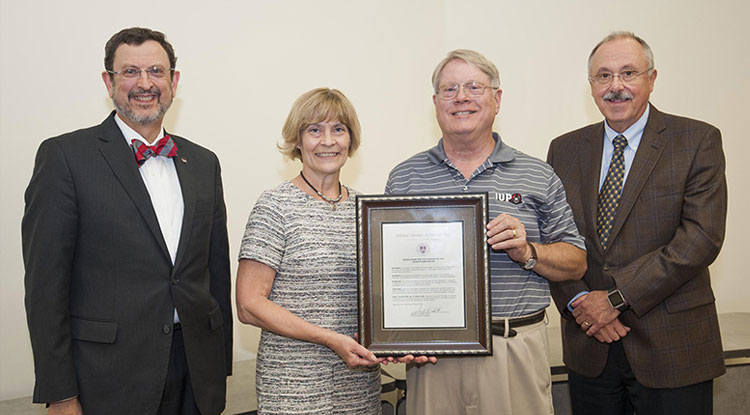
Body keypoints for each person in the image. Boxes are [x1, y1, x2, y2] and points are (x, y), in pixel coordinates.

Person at [22, 27, 232, 415]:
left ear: (174, 80)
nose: (145, 83)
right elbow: (44, 288)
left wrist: (219, 368)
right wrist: (60, 393)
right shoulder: (65, 157)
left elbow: (215, 270)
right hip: (107, 378)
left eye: (156, 71)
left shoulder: (205, 162)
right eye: (130, 72)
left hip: (196, 375)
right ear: (109, 81)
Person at [385, 49, 587, 415]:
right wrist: (394, 333)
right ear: (435, 103)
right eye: (450, 90)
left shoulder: (537, 174)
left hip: (513, 348)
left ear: (497, 99)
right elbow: (390, 270)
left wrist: (528, 252)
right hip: (433, 356)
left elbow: (576, 263)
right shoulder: (406, 177)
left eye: (474, 86)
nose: (461, 97)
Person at [546, 31, 727, 415]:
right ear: (591, 85)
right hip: (590, 345)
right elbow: (553, 238)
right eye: (603, 76)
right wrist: (581, 304)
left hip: (672, 348)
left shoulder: (697, 140)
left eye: (628, 73)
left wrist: (614, 300)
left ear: (652, 78)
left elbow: (700, 239)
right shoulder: (564, 149)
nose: (616, 87)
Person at [235, 88, 382, 414]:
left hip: (358, 384)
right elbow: (248, 305)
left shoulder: (368, 210)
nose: (328, 141)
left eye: (338, 129)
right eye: (315, 130)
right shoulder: (275, 205)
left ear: (350, 140)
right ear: (297, 141)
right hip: (293, 387)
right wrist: (331, 339)